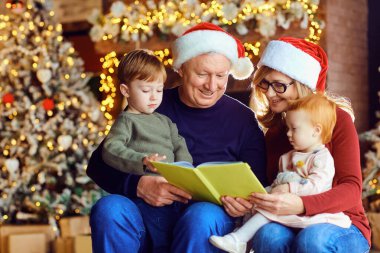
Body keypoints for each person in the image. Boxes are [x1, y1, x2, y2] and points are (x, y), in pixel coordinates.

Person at [87, 22, 267, 253]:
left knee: (201, 215)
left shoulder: (243, 118)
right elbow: (98, 164)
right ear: (181, 69)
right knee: (109, 208)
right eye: (202, 74)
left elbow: (259, 183)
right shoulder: (153, 102)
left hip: (209, 217)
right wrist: (138, 185)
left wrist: (244, 203)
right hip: (150, 212)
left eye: (221, 76)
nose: (212, 86)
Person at [248, 37, 371, 252]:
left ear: (302, 84)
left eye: (279, 85)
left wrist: (303, 204)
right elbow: (271, 185)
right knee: (268, 235)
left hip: (342, 222)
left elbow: (351, 189)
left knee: (312, 239)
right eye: (265, 83)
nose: (268, 93)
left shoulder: (336, 119)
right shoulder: (275, 132)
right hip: (290, 220)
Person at [209, 93, 352, 253]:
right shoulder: (287, 157)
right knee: (262, 208)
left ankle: (238, 239)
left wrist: (289, 188)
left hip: (314, 213)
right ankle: (241, 238)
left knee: (268, 212)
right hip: (287, 207)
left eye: (294, 129)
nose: (288, 134)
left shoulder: (321, 158)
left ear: (316, 130)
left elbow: (316, 185)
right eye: (287, 128)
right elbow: (278, 183)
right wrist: (260, 195)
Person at [101, 49, 192, 175]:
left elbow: (179, 146)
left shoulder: (165, 121)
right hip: (147, 185)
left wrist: (185, 171)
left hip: (173, 182)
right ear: (125, 91)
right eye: (146, 90)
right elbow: (110, 148)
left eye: (159, 90)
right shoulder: (127, 121)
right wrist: (142, 160)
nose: (154, 97)